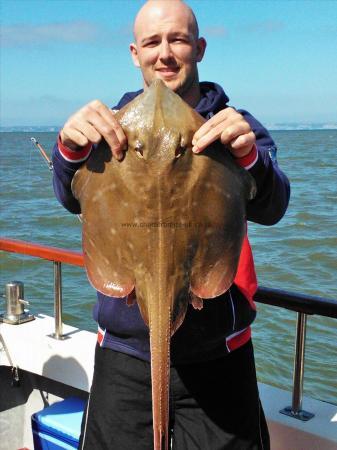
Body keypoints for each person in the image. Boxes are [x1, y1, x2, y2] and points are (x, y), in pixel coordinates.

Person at [52, 1, 290, 449]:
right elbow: (71, 195)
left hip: (219, 357)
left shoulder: (231, 127)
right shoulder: (109, 128)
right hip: (124, 358)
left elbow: (273, 206)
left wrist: (248, 159)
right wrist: (69, 146)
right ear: (134, 53)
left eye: (177, 39)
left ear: (198, 48)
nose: (164, 53)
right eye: (152, 42)